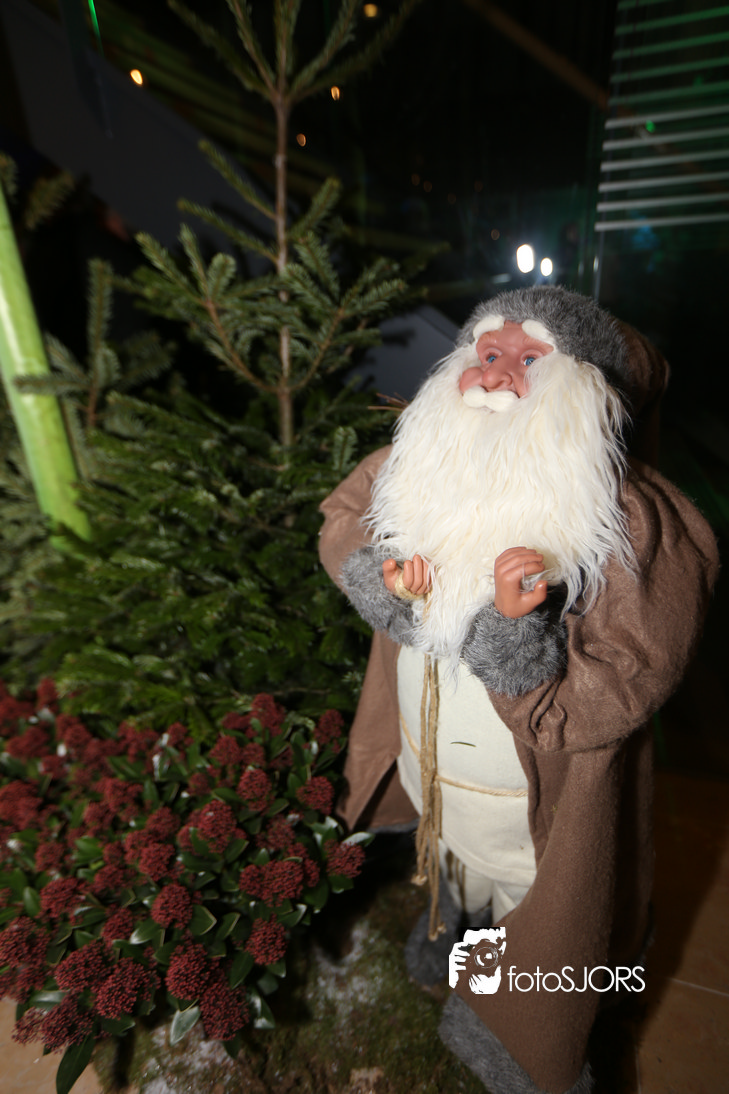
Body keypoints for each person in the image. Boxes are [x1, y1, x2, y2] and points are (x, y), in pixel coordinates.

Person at [318, 286, 718, 1094]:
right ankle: (449, 921)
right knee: (446, 849)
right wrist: (378, 576)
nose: (497, 375)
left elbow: (630, 671)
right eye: (488, 353)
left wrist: (513, 634)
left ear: (582, 387)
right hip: (429, 750)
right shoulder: (415, 465)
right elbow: (345, 515)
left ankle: (526, 1027)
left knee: (534, 894)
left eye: (529, 358)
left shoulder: (635, 521)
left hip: (531, 789)